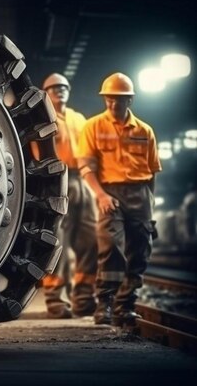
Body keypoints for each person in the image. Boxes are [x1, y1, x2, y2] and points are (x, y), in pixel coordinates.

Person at [77, 72, 162, 326]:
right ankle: (105, 305)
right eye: (109, 99)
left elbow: (153, 172)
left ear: (130, 100)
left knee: (139, 250)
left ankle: (126, 305)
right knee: (111, 246)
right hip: (109, 194)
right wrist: (101, 195)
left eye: (119, 100)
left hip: (140, 193)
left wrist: (150, 204)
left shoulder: (145, 131)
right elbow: (86, 168)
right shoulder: (93, 126)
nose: (113, 104)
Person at [39, 73, 99, 319]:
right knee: (59, 243)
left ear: (68, 90)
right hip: (55, 182)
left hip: (82, 178)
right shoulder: (43, 118)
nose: (59, 91)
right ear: (46, 92)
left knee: (90, 239)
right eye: (53, 88)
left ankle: (84, 297)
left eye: (62, 87)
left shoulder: (79, 119)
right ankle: (56, 300)